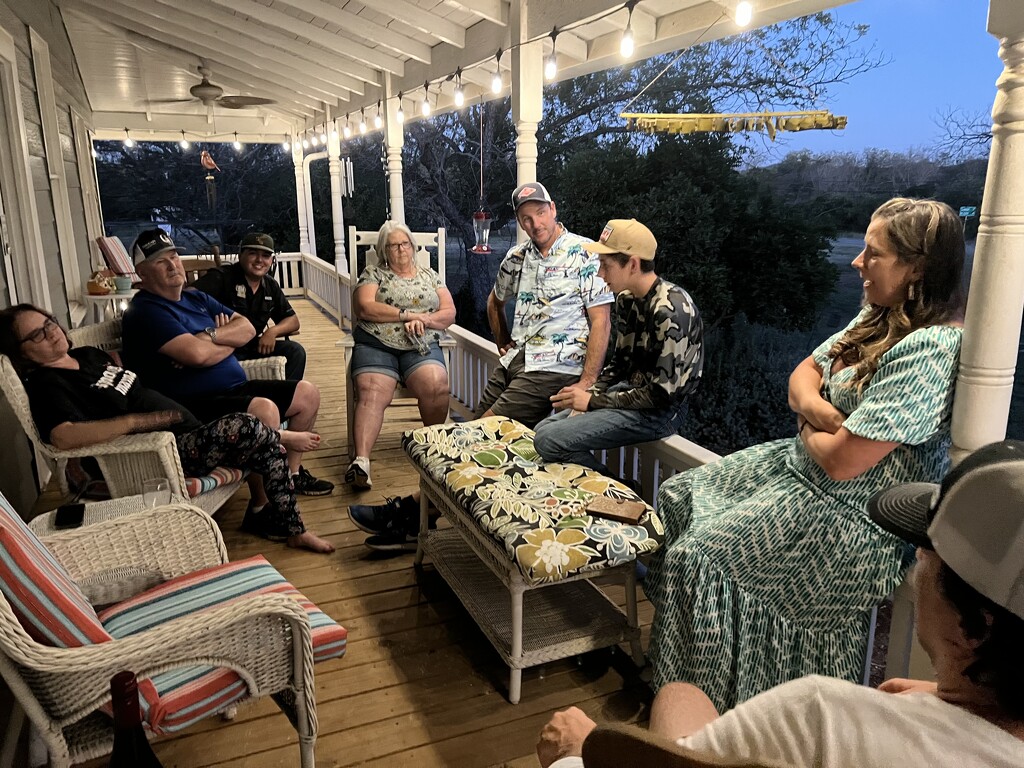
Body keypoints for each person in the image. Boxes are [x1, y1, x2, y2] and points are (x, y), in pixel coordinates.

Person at [643, 198, 967, 710]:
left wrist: (806, 422)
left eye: (873, 253)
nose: (857, 263)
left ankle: (728, 719)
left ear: (918, 268)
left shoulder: (930, 350)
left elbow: (844, 463)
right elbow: (801, 375)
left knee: (697, 559)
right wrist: (819, 415)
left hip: (853, 514)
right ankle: (682, 684)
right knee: (679, 494)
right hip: (804, 472)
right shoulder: (877, 319)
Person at [536, 439, 1024, 768]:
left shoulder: (824, 717)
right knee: (678, 694)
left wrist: (581, 752)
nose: (914, 560)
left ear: (974, 628)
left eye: (926, 553)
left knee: (678, 694)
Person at [0, 304, 334, 553]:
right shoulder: (48, 383)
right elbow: (62, 435)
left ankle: (294, 528)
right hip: (158, 454)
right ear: (23, 352)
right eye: (37, 334)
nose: (52, 331)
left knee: (258, 439)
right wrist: (135, 422)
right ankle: (283, 437)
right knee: (247, 426)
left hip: (186, 430)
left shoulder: (86, 355)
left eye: (50, 322)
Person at [121, 228, 333, 496]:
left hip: (232, 386)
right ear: (142, 273)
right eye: (160, 261)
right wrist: (227, 343)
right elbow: (197, 356)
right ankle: (264, 502)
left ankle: (291, 476)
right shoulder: (146, 311)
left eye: (174, 257)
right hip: (194, 404)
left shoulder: (195, 298)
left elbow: (245, 329)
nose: (172, 265)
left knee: (308, 394)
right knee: (264, 409)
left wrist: (210, 336)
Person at [532, 218, 704, 475]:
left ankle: (622, 496)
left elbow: (659, 395)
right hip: (631, 393)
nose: (600, 274)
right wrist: (592, 392)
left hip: (660, 411)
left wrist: (592, 401)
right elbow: (620, 363)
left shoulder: (672, 311)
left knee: (547, 440)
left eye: (606, 265)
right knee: (542, 431)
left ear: (633, 264)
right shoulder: (626, 299)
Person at [475, 182, 613, 429]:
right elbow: (494, 302)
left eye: (540, 213)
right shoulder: (516, 257)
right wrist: (503, 342)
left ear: (553, 209)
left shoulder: (586, 253)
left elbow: (601, 320)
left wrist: (587, 381)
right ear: (519, 221)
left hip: (555, 366)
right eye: (526, 219)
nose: (535, 224)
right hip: (515, 361)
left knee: (483, 430)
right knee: (475, 423)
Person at [345, 221, 455, 490]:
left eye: (404, 243)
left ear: (413, 247)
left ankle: (432, 448)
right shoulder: (373, 273)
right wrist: (406, 315)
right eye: (393, 245)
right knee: (372, 391)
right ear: (384, 250)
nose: (400, 249)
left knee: (436, 384)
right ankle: (361, 463)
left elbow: (449, 312)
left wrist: (425, 320)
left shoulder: (429, 276)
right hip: (376, 343)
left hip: (420, 344)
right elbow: (365, 308)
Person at [193, 232, 306, 380]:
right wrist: (207, 328)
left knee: (295, 351)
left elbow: (293, 320)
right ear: (241, 255)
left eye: (266, 256)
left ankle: (285, 399)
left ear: (272, 260)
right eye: (253, 253)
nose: (259, 260)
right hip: (221, 347)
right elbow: (187, 298)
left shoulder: (270, 285)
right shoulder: (221, 277)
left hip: (252, 346)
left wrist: (272, 332)